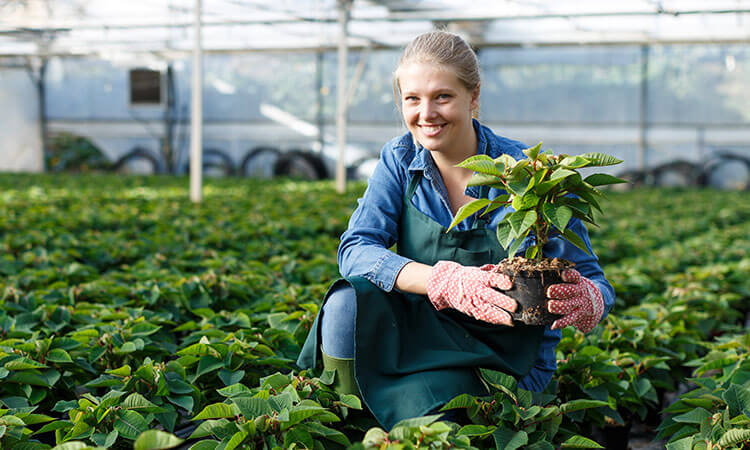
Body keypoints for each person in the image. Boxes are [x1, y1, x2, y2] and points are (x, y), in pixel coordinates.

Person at [297, 30, 615, 429]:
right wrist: (443, 281)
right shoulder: (400, 159)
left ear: (474, 96)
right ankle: (348, 421)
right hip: (420, 330)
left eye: (442, 96)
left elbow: (594, 280)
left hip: (501, 353)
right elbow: (356, 249)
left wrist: (590, 300)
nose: (426, 114)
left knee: (439, 419)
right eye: (412, 99)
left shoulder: (530, 175)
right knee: (346, 303)